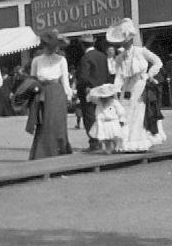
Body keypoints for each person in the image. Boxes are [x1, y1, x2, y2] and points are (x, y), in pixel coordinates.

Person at [105, 18, 166, 152]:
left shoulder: (141, 51)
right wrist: (115, 90)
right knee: (125, 110)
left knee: (139, 109)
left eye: (127, 41)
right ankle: (126, 142)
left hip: (140, 83)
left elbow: (157, 62)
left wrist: (149, 74)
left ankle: (140, 140)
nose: (126, 44)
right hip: (127, 85)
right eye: (123, 42)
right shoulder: (120, 57)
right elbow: (119, 76)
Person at [26, 29, 74, 158]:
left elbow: (65, 81)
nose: (52, 48)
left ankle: (60, 150)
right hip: (42, 93)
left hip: (57, 92)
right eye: (48, 45)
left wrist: (68, 96)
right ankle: (43, 152)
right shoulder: (36, 60)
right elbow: (32, 79)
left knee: (57, 123)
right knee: (44, 122)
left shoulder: (61, 60)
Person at [76, 40, 110, 151]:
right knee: (102, 115)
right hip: (103, 90)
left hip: (90, 91)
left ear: (82, 45)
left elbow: (84, 77)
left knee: (90, 116)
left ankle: (94, 142)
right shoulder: (103, 56)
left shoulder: (85, 58)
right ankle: (104, 140)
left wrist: (81, 88)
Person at [87, 84, 125, 154]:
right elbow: (89, 99)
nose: (104, 99)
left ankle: (117, 147)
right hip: (102, 122)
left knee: (115, 136)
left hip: (113, 121)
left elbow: (121, 110)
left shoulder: (114, 102)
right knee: (104, 138)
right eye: (102, 97)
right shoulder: (98, 102)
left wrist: (121, 118)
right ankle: (105, 148)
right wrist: (90, 92)